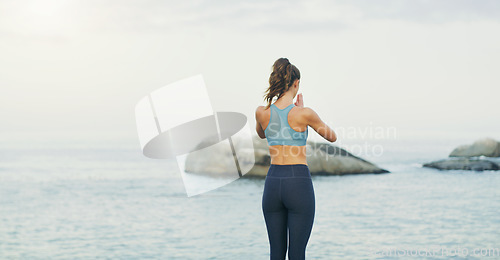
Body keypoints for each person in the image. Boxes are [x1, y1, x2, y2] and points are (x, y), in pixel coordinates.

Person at [255, 57, 337, 259]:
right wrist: (303, 111)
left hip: (273, 182)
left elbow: (262, 134)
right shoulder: (305, 114)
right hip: (297, 182)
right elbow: (332, 136)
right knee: (297, 253)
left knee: (276, 252)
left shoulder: (261, 112)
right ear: (296, 83)